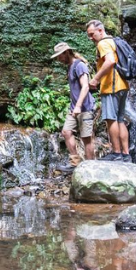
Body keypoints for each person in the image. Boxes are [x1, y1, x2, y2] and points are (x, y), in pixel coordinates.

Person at [86, 20, 131, 162]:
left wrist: (95, 79)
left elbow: (110, 61)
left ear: (100, 30)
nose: (91, 38)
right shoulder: (114, 41)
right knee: (120, 120)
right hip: (122, 84)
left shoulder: (103, 43)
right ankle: (126, 154)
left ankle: (116, 153)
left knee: (111, 119)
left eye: (92, 34)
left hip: (111, 86)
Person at [52, 41, 95, 173]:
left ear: (66, 52)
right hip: (74, 108)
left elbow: (86, 86)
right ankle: (75, 163)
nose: (59, 59)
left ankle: (91, 167)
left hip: (85, 108)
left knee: (86, 138)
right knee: (66, 131)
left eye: (60, 56)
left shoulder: (79, 65)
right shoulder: (70, 66)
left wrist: (78, 106)